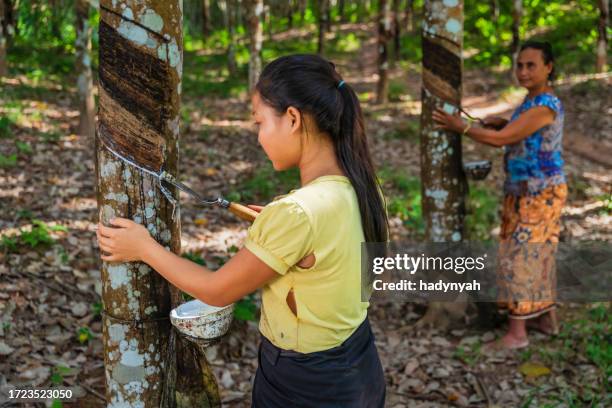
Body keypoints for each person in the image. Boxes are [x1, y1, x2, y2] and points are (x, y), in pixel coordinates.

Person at [96, 54, 388, 407]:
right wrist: (277, 225)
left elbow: (217, 290)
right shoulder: (360, 188)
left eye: (259, 122)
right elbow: (326, 249)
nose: (259, 136)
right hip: (359, 366)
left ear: (292, 118)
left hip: (307, 386)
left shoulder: (297, 213)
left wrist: (143, 248)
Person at [432, 41, 566, 350]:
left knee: (523, 258)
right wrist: (503, 122)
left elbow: (504, 139)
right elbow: (519, 132)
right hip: (522, 191)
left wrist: (461, 127)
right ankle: (544, 319)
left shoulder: (545, 104)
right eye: (520, 65)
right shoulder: (530, 102)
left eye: (531, 65)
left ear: (549, 67)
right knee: (533, 254)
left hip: (540, 193)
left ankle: (517, 335)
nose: (523, 71)